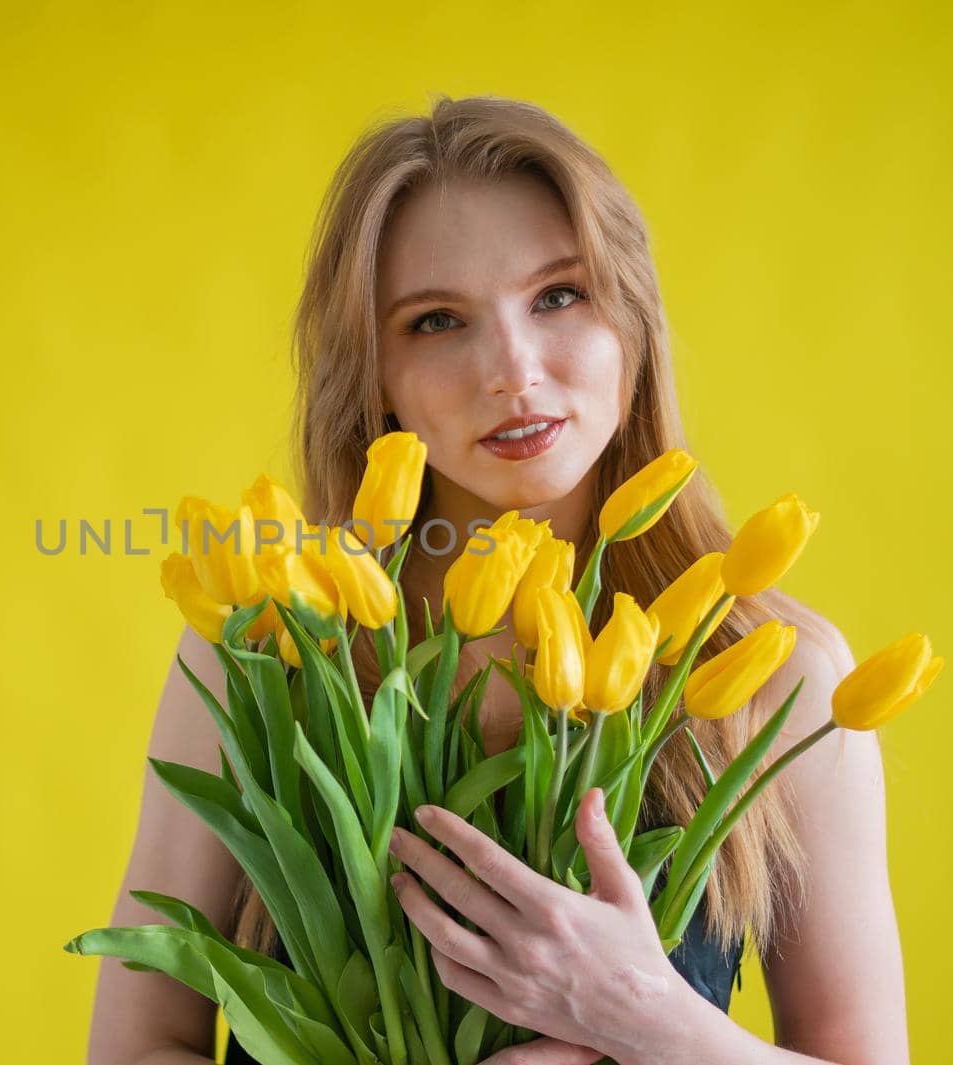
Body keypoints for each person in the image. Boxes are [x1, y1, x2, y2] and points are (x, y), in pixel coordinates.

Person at [86, 95, 908, 1065]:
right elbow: (139, 1046)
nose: (512, 370)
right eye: (436, 322)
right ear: (373, 375)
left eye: (559, 296)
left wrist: (653, 1021)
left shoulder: (773, 676)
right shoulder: (268, 646)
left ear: (631, 322)